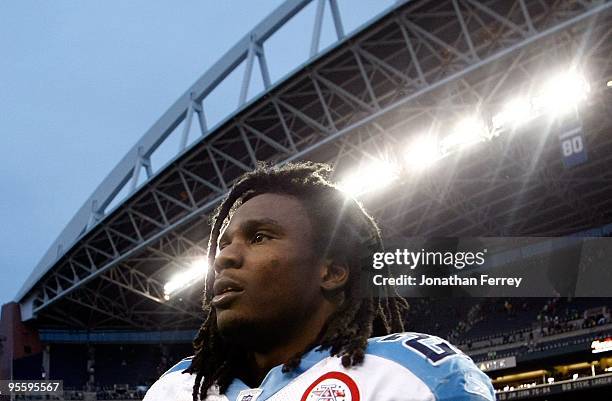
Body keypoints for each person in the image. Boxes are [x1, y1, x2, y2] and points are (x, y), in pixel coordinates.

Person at [144, 162, 495, 401]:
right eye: (223, 243)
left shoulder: (405, 376)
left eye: (260, 237)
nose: (224, 258)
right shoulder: (175, 390)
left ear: (331, 272)